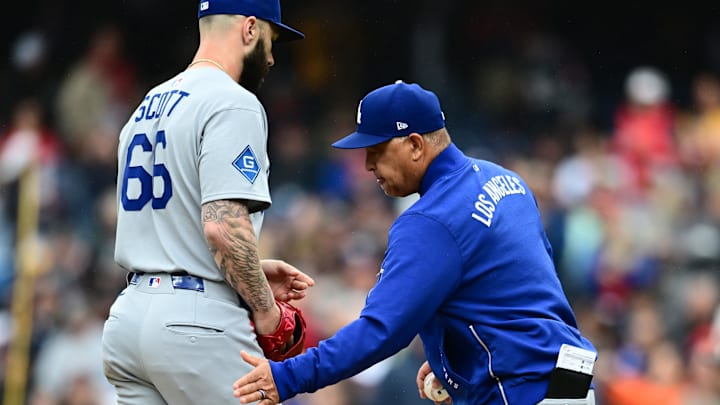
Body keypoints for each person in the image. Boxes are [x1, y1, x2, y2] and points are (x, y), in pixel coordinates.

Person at [232, 81, 597, 405]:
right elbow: (516, 289)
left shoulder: (431, 218)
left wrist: (287, 377)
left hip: (518, 390)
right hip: (567, 379)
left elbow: (381, 331)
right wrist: (453, 359)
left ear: (416, 144)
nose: (368, 165)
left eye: (376, 149)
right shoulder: (505, 180)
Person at [101, 1, 314, 404]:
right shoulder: (233, 101)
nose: (271, 57)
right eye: (271, 40)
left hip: (128, 320)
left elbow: (171, 225)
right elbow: (221, 225)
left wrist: (246, 271)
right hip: (194, 326)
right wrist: (266, 310)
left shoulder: (147, 105)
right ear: (250, 29)